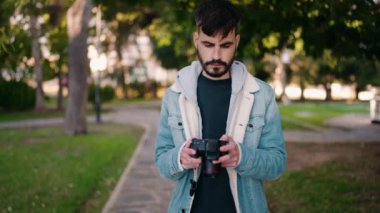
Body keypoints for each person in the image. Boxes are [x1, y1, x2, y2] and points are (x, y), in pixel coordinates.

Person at [155, 0, 287, 212]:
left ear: (237, 42)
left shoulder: (261, 94)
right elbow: (162, 160)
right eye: (208, 44)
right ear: (196, 40)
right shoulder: (174, 95)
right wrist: (179, 157)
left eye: (225, 45)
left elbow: (277, 164)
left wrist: (241, 157)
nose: (216, 55)